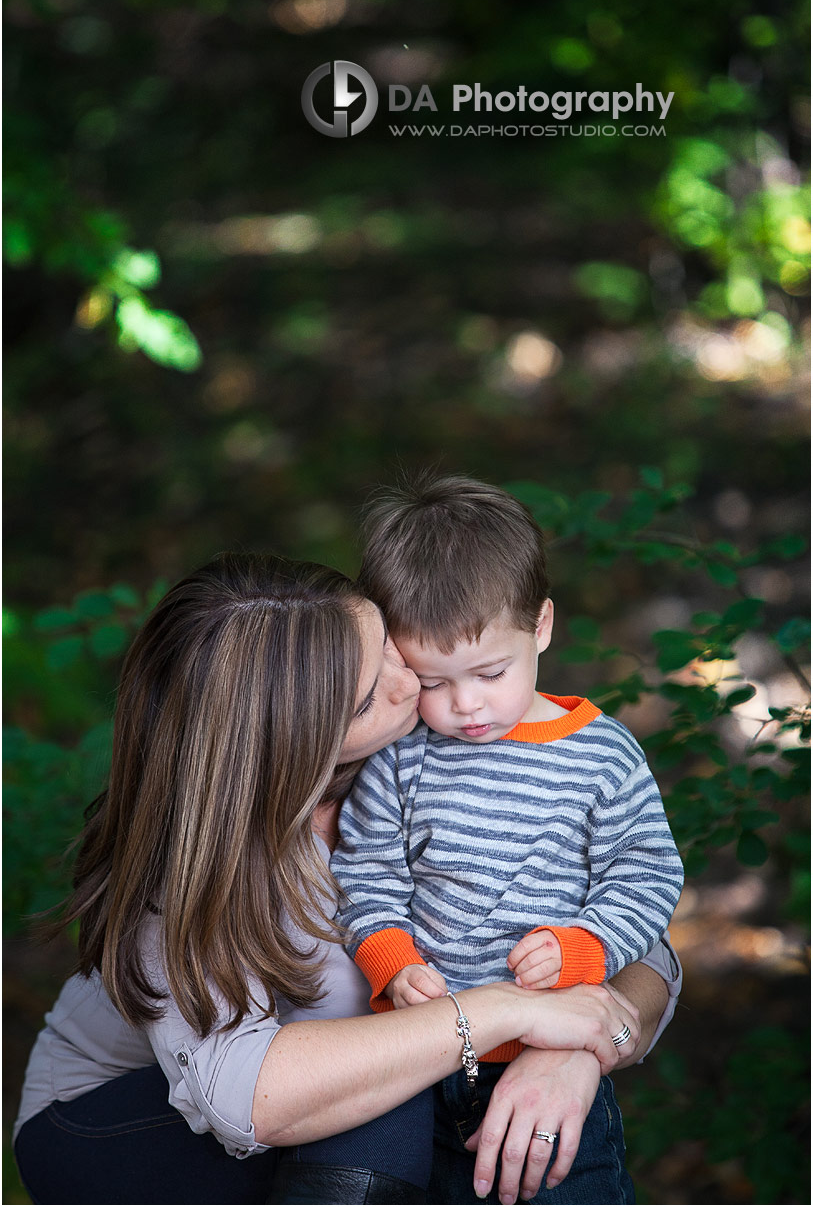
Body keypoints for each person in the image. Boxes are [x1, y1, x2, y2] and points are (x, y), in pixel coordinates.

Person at [13, 551, 675, 1207]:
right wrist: (508, 1011)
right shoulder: (190, 860)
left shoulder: (432, 751)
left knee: (456, 1112)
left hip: (386, 1103)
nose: (409, 681)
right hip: (121, 1131)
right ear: (292, 738)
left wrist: (577, 1049)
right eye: (364, 700)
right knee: (384, 1103)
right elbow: (247, 1100)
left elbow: (646, 943)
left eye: (386, 642)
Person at [332, 474, 685, 1203]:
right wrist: (388, 955)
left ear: (542, 625)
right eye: (431, 681)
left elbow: (645, 874)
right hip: (417, 1063)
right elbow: (364, 870)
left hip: (550, 1051)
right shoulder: (401, 755)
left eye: (489, 672)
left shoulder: (601, 755)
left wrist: (588, 945)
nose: (464, 705)